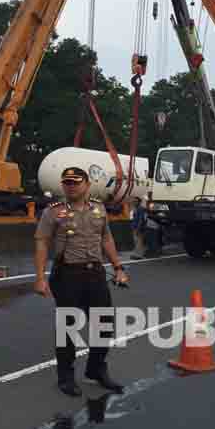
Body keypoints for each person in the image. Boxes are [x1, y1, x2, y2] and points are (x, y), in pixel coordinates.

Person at [34, 166, 130, 397]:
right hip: (67, 275)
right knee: (69, 328)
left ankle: (96, 369)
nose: (71, 186)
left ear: (87, 185)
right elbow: (42, 242)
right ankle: (65, 376)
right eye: (67, 182)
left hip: (95, 273)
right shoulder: (53, 212)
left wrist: (118, 268)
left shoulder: (98, 208)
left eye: (76, 182)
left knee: (104, 324)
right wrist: (40, 278)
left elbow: (106, 238)